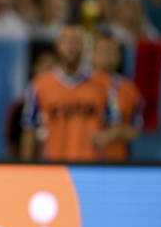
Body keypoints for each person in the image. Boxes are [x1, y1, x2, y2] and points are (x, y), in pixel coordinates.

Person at [20, 23, 120, 162]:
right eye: (67, 41)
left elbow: (115, 123)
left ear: (84, 46)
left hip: (91, 165)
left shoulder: (105, 85)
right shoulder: (38, 86)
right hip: (54, 164)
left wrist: (106, 136)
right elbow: (29, 129)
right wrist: (26, 166)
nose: (71, 47)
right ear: (58, 45)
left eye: (76, 41)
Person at [91, 29, 143, 161]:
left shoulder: (129, 89)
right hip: (81, 158)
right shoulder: (80, 84)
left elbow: (136, 128)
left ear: (119, 56)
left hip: (115, 161)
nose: (107, 55)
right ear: (92, 55)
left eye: (112, 51)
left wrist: (116, 133)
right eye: (103, 51)